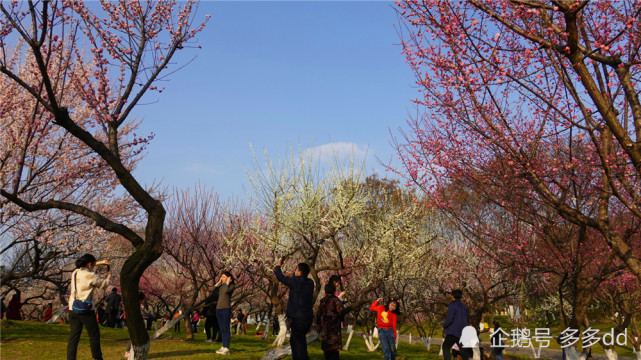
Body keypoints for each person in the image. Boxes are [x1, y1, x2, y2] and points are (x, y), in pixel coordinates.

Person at [67, 254, 111, 360]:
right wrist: (108, 276)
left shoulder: (75, 272)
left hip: (73, 308)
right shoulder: (90, 275)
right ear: (89, 264)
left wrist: (100, 262)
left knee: (74, 337)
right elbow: (104, 284)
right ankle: (97, 358)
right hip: (85, 309)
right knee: (94, 335)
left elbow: (89, 263)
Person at [274, 258, 314, 360]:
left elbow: (280, 277)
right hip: (307, 318)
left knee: (297, 343)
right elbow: (299, 281)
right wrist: (293, 277)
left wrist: (278, 265)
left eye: (296, 269)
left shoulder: (296, 282)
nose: (295, 271)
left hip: (298, 317)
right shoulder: (310, 283)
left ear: (299, 271)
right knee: (298, 341)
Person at [316, 283, 344, 360]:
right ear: (334, 290)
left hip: (325, 326)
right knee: (334, 349)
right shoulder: (336, 300)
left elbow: (318, 313)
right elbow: (340, 312)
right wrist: (341, 319)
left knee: (326, 347)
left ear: (325, 291)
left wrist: (317, 322)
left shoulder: (323, 301)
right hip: (334, 327)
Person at [442, 289, 470, 360]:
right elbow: (467, 319)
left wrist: (444, 326)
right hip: (463, 331)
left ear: (452, 296)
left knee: (445, 347)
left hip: (453, 331)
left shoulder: (452, 305)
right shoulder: (464, 307)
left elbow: (450, 318)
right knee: (463, 350)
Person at [215, 271, 236, 355]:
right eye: (221, 277)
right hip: (218, 309)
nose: (222, 278)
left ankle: (226, 348)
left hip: (225, 309)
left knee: (226, 328)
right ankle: (223, 346)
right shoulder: (221, 286)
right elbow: (212, 290)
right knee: (222, 329)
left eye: (223, 277)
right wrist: (219, 282)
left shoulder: (231, 286)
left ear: (229, 278)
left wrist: (227, 283)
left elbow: (226, 292)